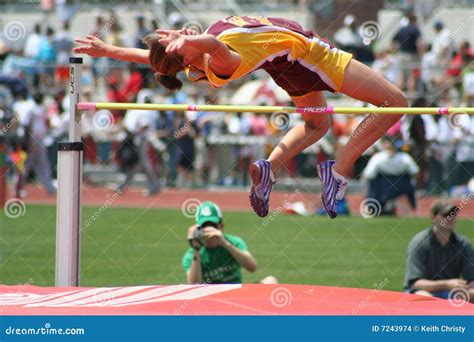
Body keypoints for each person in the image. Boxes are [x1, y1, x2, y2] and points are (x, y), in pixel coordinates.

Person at [74, 15, 408, 219]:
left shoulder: (189, 54)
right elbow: (214, 48)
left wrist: (109, 51)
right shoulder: (214, 65)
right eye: (177, 42)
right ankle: (338, 169)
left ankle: (269, 168)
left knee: (316, 124)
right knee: (396, 102)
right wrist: (189, 39)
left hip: (285, 64)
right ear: (186, 57)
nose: (178, 35)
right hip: (309, 55)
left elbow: (154, 59)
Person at [403, 199, 474, 302]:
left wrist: (467, 292)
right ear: (433, 217)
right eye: (445, 214)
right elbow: (414, 283)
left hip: (451, 292)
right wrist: (447, 284)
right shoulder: (419, 243)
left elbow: (471, 279)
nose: (450, 218)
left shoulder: (463, 244)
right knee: (425, 298)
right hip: (422, 291)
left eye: (453, 214)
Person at [183, 201, 257, 284]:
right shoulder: (191, 255)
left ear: (221, 226)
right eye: (204, 226)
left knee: (270, 280)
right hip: (211, 295)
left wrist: (224, 243)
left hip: (236, 292)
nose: (209, 229)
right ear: (198, 230)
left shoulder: (234, 242)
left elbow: (252, 267)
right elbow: (194, 285)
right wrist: (196, 249)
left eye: (213, 225)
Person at [362, 136, 419, 215]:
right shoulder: (404, 157)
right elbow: (415, 171)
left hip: (383, 188)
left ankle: (373, 208)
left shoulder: (378, 157)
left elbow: (369, 174)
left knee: (373, 183)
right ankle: (412, 209)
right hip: (402, 186)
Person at [392, 13, 422, 93]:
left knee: (401, 78)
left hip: (401, 55)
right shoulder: (415, 29)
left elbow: (392, 41)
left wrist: (396, 51)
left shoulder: (402, 29)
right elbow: (420, 43)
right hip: (411, 56)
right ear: (414, 20)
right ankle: (411, 101)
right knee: (411, 78)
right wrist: (421, 55)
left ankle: (397, 99)